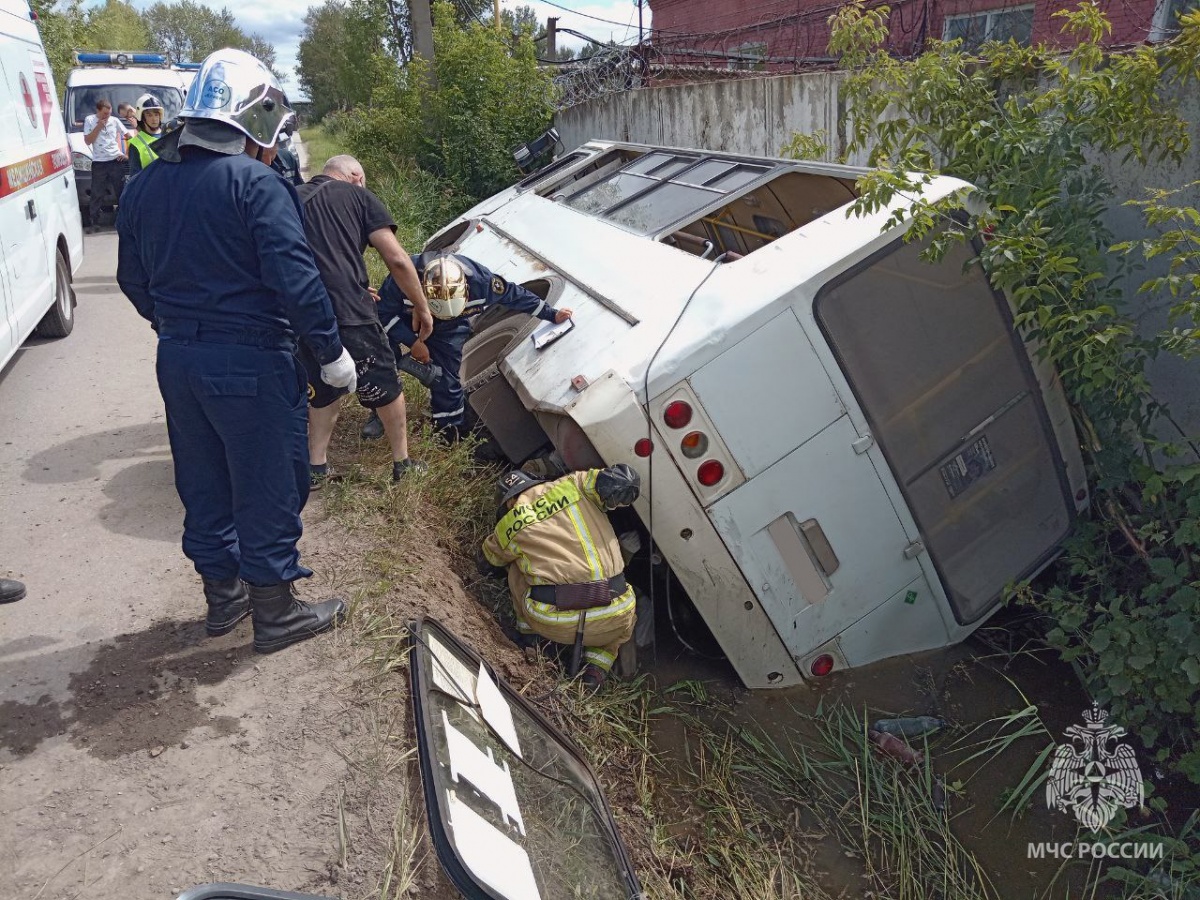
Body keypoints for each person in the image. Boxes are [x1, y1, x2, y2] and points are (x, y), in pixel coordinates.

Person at [116, 47, 356, 654]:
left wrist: (177, 325)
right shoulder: (256, 184)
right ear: (254, 119)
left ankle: (223, 600)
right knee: (270, 480)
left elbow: (131, 280)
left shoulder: (143, 185)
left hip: (178, 360)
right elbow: (296, 279)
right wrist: (329, 352)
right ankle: (276, 614)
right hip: (250, 358)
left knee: (204, 480)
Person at [296, 155, 434, 485]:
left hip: (304, 313)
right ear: (355, 176)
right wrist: (422, 307)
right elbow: (397, 260)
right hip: (350, 314)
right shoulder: (359, 195)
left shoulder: (292, 196)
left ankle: (316, 468)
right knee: (385, 384)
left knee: (323, 388)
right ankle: (402, 463)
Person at [366, 253, 572, 442]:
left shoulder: (483, 283)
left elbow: (516, 296)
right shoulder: (402, 279)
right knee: (379, 350)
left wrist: (551, 314)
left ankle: (448, 432)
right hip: (405, 318)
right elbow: (383, 314)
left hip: (451, 327)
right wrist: (413, 342)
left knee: (447, 379)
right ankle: (381, 412)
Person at [479, 465, 641, 691]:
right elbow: (617, 480)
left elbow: (488, 565)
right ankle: (595, 670)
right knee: (624, 616)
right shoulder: (573, 485)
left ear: (507, 503)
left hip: (553, 622)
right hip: (614, 614)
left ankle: (530, 639)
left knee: (515, 568)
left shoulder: (508, 525)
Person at [83, 98, 129, 231]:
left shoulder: (114, 121)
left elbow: (129, 136)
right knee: (97, 192)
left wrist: (127, 155)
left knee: (121, 191)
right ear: (98, 111)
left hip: (116, 160)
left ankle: (123, 218)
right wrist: (98, 126)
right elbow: (87, 141)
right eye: (104, 114)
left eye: (109, 114)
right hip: (99, 162)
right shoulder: (90, 120)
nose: (107, 116)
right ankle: (94, 221)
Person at [127, 93, 166, 175]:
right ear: (141, 117)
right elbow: (135, 178)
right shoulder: (135, 144)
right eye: (149, 115)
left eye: (156, 114)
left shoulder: (169, 136)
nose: (154, 119)